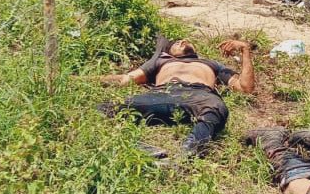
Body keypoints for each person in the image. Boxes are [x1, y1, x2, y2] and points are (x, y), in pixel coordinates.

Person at [98, 36, 255, 157]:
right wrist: (81, 79)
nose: (183, 42)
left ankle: (188, 152)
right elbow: (126, 79)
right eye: (177, 42)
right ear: (168, 52)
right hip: (162, 95)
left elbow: (245, 88)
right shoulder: (161, 62)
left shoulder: (211, 64)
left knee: (216, 107)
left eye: (185, 41)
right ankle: (137, 148)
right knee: (104, 108)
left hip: (200, 95)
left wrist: (245, 50)